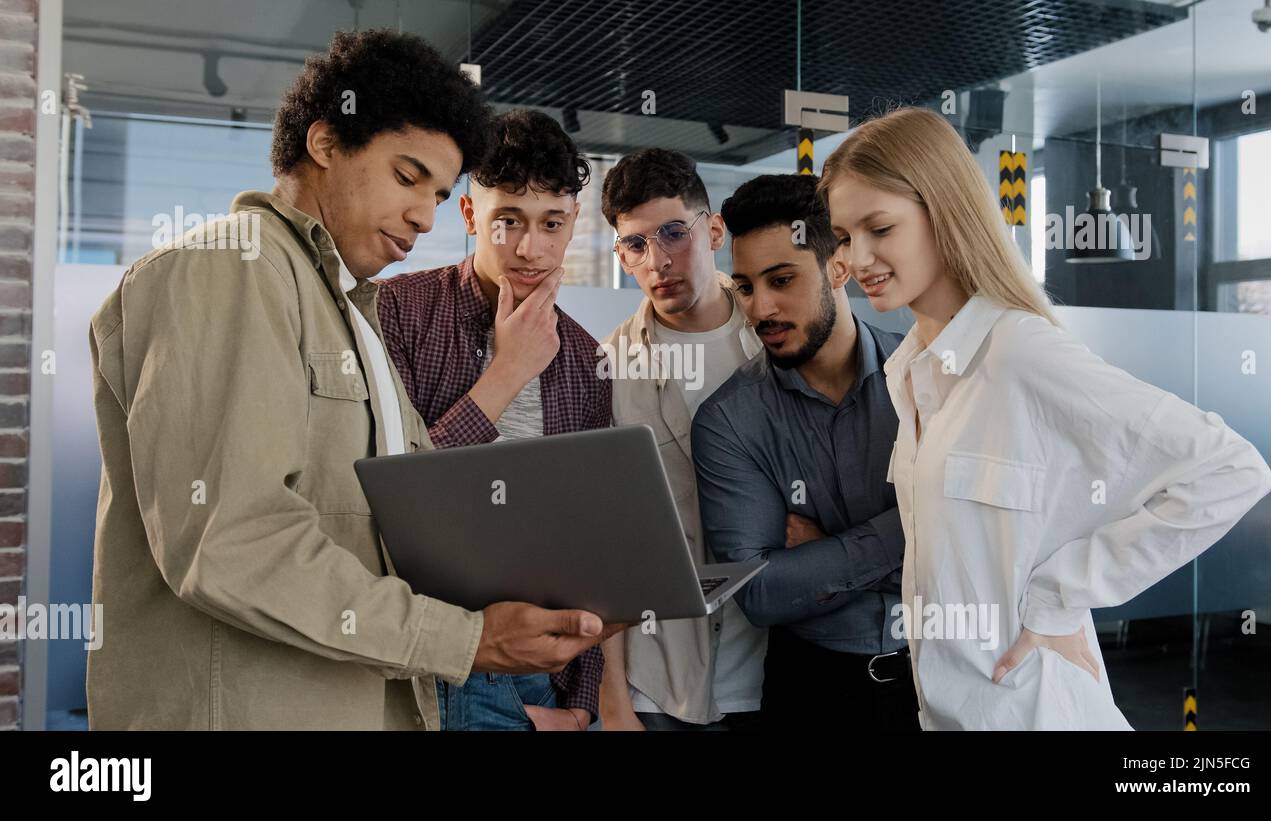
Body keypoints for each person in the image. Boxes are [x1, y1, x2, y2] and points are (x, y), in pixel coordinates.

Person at [87, 30, 615, 731]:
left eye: (437, 192)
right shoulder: (230, 268)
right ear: (327, 141)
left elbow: (403, 515)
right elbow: (232, 542)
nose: (424, 216)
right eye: (407, 177)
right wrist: (467, 640)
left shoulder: (347, 308)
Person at [819, 106, 1271, 730]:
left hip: (1034, 712)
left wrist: (1060, 599)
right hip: (951, 712)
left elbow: (1230, 471)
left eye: (880, 228)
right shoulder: (909, 371)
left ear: (943, 213)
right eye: (844, 237)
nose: (857, 258)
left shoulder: (1017, 352)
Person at [377, 109, 609, 731]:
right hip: (421, 665)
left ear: (572, 226)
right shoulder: (397, 311)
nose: (530, 249)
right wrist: (508, 372)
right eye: (508, 220)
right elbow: (397, 501)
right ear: (472, 216)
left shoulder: (588, 359)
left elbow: (588, 542)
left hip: (538, 680)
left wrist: (582, 706)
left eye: (551, 224)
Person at [691, 173, 919, 731]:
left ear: (838, 266)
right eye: (745, 286)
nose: (760, 307)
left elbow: (994, 546)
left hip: (946, 672)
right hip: (812, 692)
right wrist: (919, 522)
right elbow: (762, 593)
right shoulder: (729, 420)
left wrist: (826, 553)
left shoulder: (926, 378)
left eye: (782, 279)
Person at [597, 149, 767, 731]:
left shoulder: (775, 340)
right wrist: (612, 694)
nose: (658, 260)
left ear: (714, 228)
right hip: (657, 680)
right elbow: (602, 541)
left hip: (772, 666)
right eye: (635, 245)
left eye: (674, 233)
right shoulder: (609, 365)